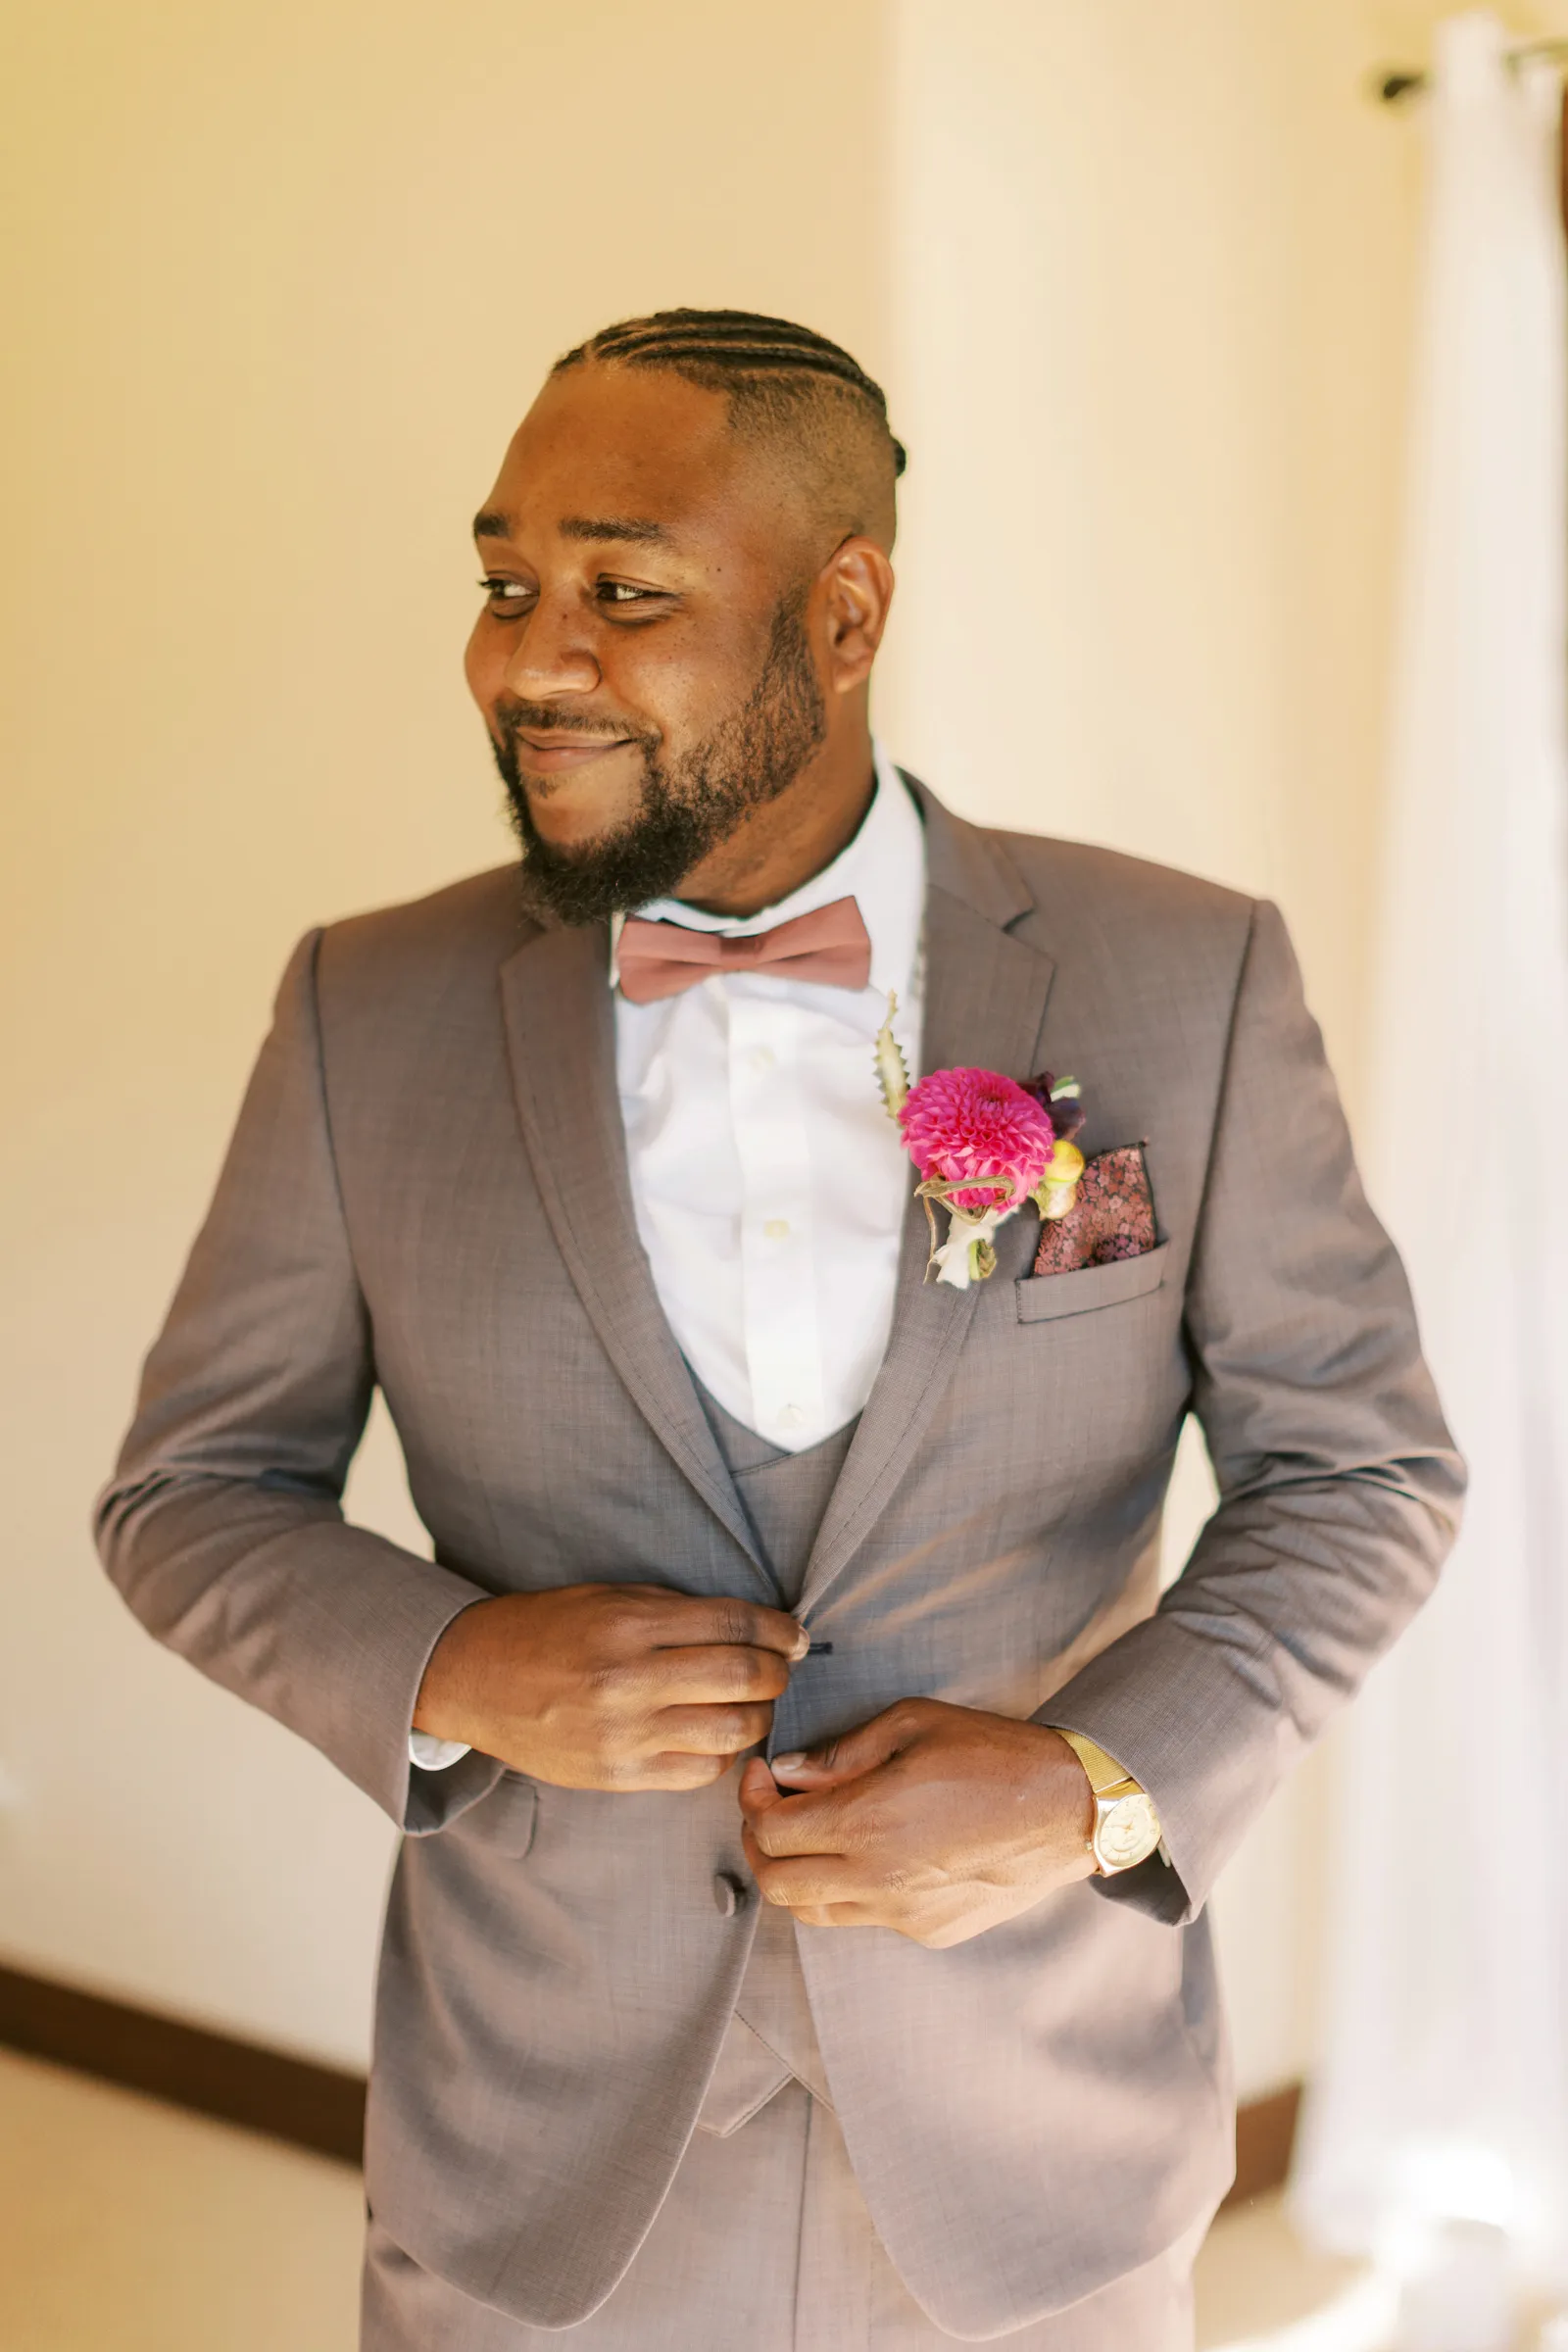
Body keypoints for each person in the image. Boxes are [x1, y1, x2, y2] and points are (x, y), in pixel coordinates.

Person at [96, 309, 1463, 2350]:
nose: (523, 658)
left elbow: (1356, 1470)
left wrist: (1095, 1781)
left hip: (1040, 2155)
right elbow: (190, 1496)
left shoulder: (1183, 980)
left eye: (620, 590)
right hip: (537, 2163)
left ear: (841, 611)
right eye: (502, 584)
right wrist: (451, 1661)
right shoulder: (357, 1013)